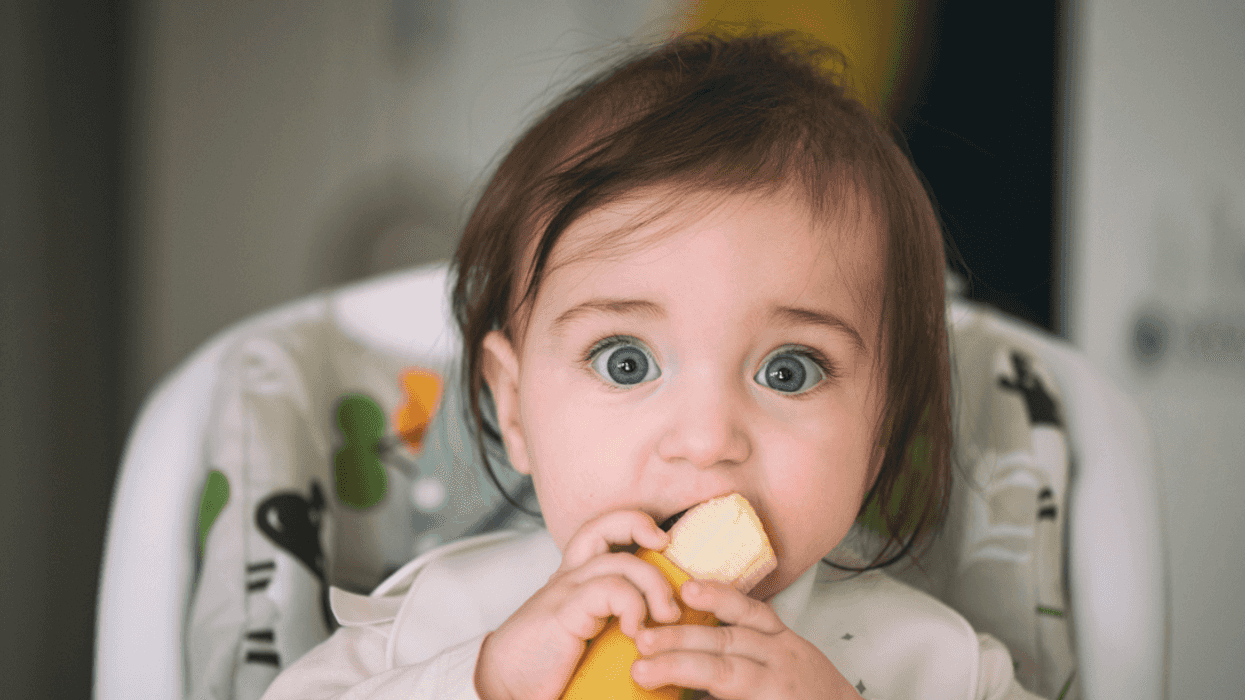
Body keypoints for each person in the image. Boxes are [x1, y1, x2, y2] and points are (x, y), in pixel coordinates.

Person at [262, 30, 1043, 700]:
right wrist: (486, 681)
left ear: (880, 433)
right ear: (513, 408)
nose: (705, 441)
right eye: (626, 362)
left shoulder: (931, 662)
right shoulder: (449, 622)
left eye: (789, 371)